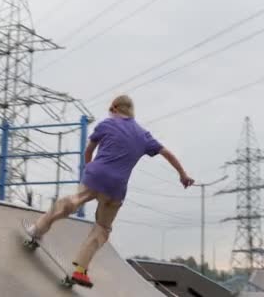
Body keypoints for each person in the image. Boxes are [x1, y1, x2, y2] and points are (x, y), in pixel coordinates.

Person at [26, 95, 194, 287]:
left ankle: (38, 229)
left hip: (96, 176)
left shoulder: (106, 124)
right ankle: (81, 270)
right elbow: (167, 154)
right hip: (116, 188)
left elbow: (88, 152)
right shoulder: (143, 135)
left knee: (72, 201)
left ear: (114, 109)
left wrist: (89, 169)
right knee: (102, 228)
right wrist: (183, 174)